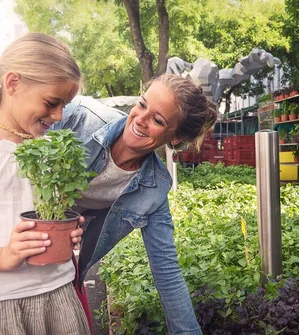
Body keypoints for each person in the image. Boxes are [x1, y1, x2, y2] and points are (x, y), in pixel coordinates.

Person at [53, 73, 218, 334]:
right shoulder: (79, 118)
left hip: (58, 261)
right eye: (142, 104)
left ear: (174, 138)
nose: (140, 119)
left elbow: (167, 270)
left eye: (157, 120)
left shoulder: (153, 189)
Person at [0, 33, 91, 335]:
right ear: (12, 83)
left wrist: (68, 229)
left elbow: (48, 211)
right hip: (7, 303)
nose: (59, 115)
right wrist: (5, 255)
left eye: (65, 105)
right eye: (52, 102)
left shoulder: (53, 148)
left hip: (59, 295)